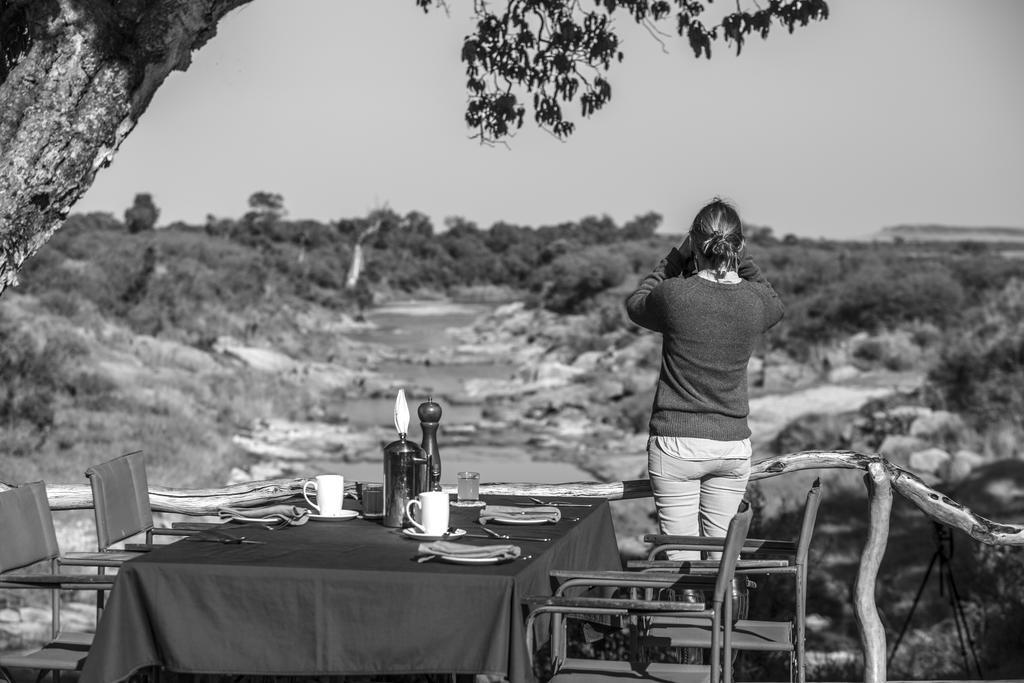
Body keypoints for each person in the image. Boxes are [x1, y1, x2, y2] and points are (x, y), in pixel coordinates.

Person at [626, 197, 784, 561]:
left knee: (680, 557)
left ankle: (687, 616)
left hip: (677, 442)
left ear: (694, 244)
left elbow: (636, 303)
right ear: (739, 246)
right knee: (724, 556)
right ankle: (724, 616)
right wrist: (741, 259)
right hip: (731, 445)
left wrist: (675, 259)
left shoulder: (674, 294)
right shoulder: (755, 300)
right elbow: (775, 303)